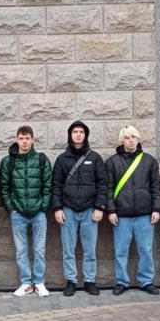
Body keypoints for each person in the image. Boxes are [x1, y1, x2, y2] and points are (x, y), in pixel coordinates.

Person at [105, 125, 160, 296]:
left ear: (138, 139)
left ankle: (146, 281)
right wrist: (111, 211)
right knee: (121, 251)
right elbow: (108, 189)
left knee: (145, 250)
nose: (131, 141)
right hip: (121, 215)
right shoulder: (112, 162)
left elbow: (156, 187)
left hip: (145, 214)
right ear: (121, 140)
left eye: (134, 137)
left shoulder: (149, 161)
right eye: (127, 137)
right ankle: (121, 282)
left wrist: (156, 208)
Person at [52, 120, 108, 296]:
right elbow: (55, 185)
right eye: (75, 132)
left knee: (89, 250)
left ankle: (89, 281)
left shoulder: (95, 158)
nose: (78, 135)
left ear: (86, 135)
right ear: (70, 135)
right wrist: (57, 208)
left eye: (81, 132)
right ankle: (71, 281)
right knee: (68, 249)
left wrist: (99, 207)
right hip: (68, 210)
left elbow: (103, 184)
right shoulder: (62, 159)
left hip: (89, 211)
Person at [0, 125, 53, 297]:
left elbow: (48, 186)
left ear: (33, 140)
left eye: (27, 138)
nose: (24, 142)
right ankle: (26, 283)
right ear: (16, 140)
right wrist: (11, 208)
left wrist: (43, 207)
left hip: (38, 213)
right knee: (21, 251)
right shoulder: (8, 161)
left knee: (39, 250)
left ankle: (39, 282)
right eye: (21, 138)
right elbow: (4, 187)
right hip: (18, 214)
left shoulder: (41, 159)